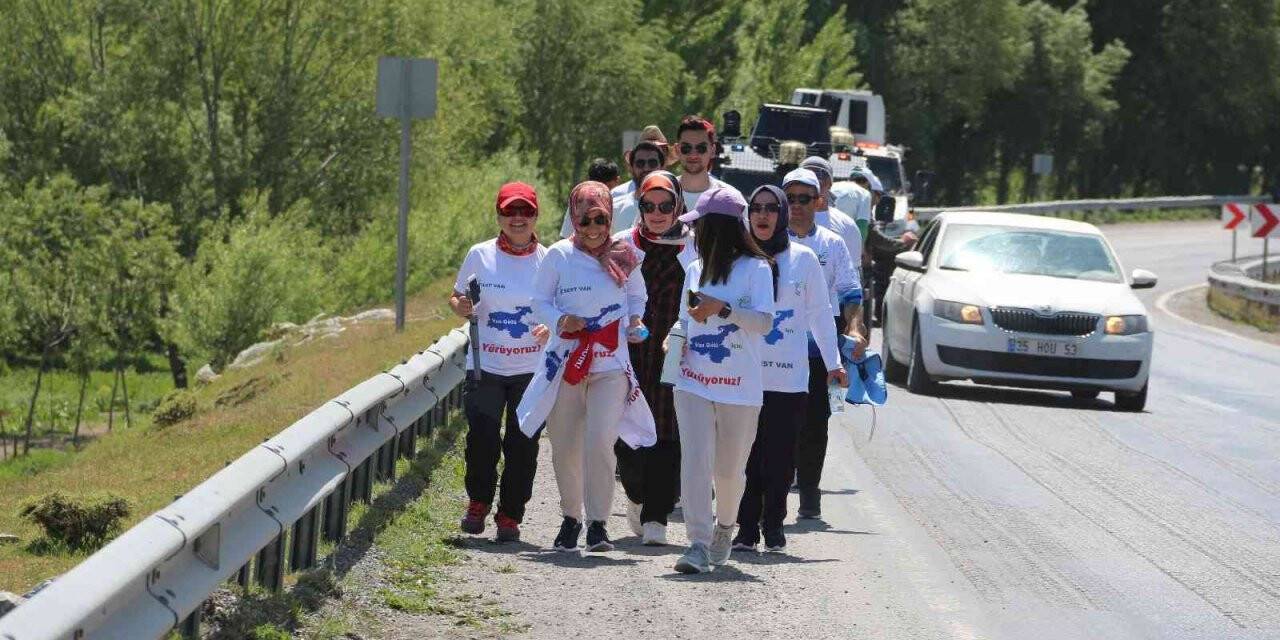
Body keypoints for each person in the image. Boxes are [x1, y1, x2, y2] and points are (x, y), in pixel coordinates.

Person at [519, 181, 654, 553]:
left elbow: (636, 294)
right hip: (566, 361)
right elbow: (538, 301)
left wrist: (635, 321)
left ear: (609, 217)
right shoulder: (559, 256)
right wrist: (562, 320)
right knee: (564, 445)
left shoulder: (625, 254)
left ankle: (598, 523)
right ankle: (570, 517)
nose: (593, 228)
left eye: (600, 219)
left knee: (600, 442)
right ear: (574, 219)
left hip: (610, 362)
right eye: (585, 220)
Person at [668, 185, 776, 574]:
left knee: (729, 472)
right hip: (692, 381)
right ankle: (696, 542)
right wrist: (673, 338)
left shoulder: (757, 268)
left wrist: (725, 309)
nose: (693, 233)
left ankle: (725, 526)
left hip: (740, 387)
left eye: (699, 226)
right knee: (695, 462)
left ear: (719, 228)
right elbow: (685, 316)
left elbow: (764, 322)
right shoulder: (694, 268)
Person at [734, 184, 846, 553]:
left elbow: (820, 316)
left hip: (788, 379)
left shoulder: (804, 259)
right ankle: (746, 529)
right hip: (742, 377)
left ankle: (774, 525)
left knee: (780, 458)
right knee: (746, 457)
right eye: (756, 207)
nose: (763, 215)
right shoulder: (737, 258)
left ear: (781, 214)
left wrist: (834, 364)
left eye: (771, 208)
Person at [450, 182, 551, 542]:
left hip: (531, 370)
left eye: (525, 211)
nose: (518, 219)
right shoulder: (480, 254)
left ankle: (510, 515)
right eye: (510, 211)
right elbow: (459, 296)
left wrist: (549, 328)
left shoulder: (549, 259)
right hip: (485, 365)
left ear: (536, 215)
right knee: (483, 440)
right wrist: (461, 306)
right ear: (499, 216)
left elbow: (559, 310)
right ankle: (478, 503)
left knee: (523, 445)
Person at [612, 171, 697, 546]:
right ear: (640, 207)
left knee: (668, 430)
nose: (658, 213)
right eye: (649, 205)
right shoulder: (621, 245)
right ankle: (635, 493)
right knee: (625, 429)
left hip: (673, 347)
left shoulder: (695, 247)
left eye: (666, 205)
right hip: (627, 350)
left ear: (678, 205)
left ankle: (657, 516)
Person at [781, 168, 867, 520]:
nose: (797, 206)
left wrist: (857, 328)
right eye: (791, 199)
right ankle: (770, 495)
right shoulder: (768, 240)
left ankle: (810, 496)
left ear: (819, 201)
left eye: (805, 199)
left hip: (821, 340)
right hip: (778, 339)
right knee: (776, 419)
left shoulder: (832, 243)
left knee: (816, 421)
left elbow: (850, 291)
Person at [560, 133, 669, 238]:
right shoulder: (612, 208)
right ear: (631, 168)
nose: (646, 168)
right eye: (640, 163)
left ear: (662, 166)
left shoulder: (675, 207)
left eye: (652, 163)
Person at [801, 156, 864, 282]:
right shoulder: (782, 219)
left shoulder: (847, 225)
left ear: (830, 183)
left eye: (820, 174)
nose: (815, 179)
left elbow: (852, 277)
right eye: (808, 174)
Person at [675, 115, 729, 212]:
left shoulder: (729, 199)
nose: (693, 155)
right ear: (677, 150)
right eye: (686, 148)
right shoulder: (658, 194)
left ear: (712, 151)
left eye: (701, 148)